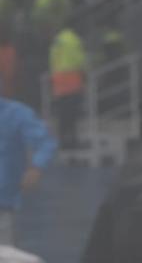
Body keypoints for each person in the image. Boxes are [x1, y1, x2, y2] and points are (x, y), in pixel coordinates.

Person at [0, 96, 56, 246]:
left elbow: (45, 142)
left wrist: (36, 167)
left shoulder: (16, 113)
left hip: (3, 199)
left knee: (4, 251)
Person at [49, 24, 87, 150]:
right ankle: (73, 140)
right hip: (73, 78)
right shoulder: (75, 39)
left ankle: (61, 141)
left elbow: (52, 58)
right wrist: (85, 72)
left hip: (58, 78)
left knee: (62, 113)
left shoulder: (57, 40)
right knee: (73, 113)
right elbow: (80, 59)